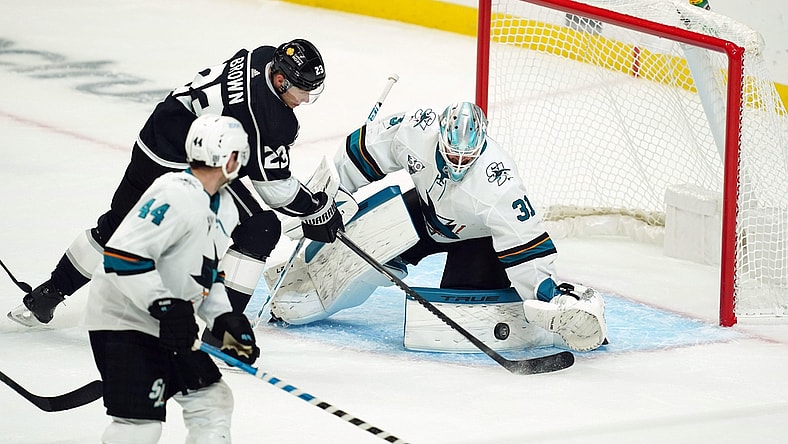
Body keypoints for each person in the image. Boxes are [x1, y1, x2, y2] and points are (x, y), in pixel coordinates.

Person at [8, 39, 344, 337]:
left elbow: (245, 141)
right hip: (179, 168)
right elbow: (274, 189)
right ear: (281, 81)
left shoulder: (263, 56)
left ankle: (47, 294)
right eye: (303, 91)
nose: (306, 98)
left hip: (153, 139)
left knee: (116, 225)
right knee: (261, 228)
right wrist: (316, 209)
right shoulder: (269, 116)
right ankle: (222, 334)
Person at [275, 102, 606, 352]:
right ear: (439, 139)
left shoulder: (499, 185)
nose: (458, 165)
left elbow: (526, 246)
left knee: (455, 310)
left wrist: (547, 294)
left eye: (467, 159)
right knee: (363, 254)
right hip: (423, 213)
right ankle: (302, 292)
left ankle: (566, 312)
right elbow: (366, 149)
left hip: (478, 242)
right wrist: (320, 199)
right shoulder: (415, 130)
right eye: (452, 155)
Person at [86, 114, 259, 443]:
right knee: (139, 424)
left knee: (211, 401)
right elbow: (123, 256)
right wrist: (165, 305)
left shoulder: (225, 207)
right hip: (124, 321)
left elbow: (206, 273)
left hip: (166, 324)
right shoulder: (173, 193)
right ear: (229, 157)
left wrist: (225, 320)